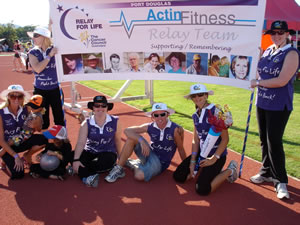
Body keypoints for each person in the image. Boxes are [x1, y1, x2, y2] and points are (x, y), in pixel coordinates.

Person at [250, 20, 300, 200]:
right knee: (264, 139)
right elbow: (258, 72)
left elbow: (281, 80)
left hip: (279, 105)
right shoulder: (269, 50)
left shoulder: (292, 53)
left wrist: (257, 83)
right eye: (274, 33)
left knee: (274, 141)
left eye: (280, 33)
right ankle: (266, 171)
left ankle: (281, 180)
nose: (276, 36)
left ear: (287, 34)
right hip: (261, 102)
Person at [173, 84, 238, 195]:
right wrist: (193, 161)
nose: (197, 98)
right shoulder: (195, 115)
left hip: (216, 156)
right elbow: (195, 139)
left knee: (202, 189)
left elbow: (225, 139)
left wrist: (213, 159)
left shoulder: (217, 112)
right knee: (178, 176)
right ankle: (203, 171)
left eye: (200, 94)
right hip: (201, 154)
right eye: (194, 96)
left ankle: (230, 170)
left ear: (206, 95)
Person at [105, 102, 187, 183]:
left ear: (167, 114)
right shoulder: (150, 126)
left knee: (139, 176)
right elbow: (127, 130)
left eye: (162, 114)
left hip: (160, 163)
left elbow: (181, 149)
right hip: (149, 153)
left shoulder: (175, 129)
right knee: (131, 139)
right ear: (152, 116)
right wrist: (142, 141)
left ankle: (134, 165)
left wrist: (187, 166)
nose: (159, 117)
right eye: (156, 115)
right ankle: (119, 168)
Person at [72, 95, 122, 187]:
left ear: (107, 108)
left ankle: (81, 172)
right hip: (90, 151)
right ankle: (88, 177)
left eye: (103, 106)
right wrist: (75, 160)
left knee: (105, 161)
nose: (100, 108)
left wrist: (121, 160)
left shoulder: (115, 121)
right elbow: (81, 142)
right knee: (72, 155)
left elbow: (118, 140)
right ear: (93, 108)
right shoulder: (86, 123)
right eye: (97, 105)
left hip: (107, 152)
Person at [27, 26, 65, 129]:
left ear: (44, 37)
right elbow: (38, 69)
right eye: (33, 36)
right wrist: (49, 56)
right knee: (43, 120)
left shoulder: (55, 49)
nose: (33, 38)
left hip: (55, 89)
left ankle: (61, 143)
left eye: (35, 36)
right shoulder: (32, 52)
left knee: (59, 119)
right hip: (40, 91)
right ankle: (44, 143)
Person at [0, 84, 30, 179]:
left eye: (20, 96)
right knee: (18, 174)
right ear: (8, 97)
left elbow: (29, 131)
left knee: (42, 140)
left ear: (23, 98)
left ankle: (26, 157)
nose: (16, 99)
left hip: (18, 141)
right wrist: (15, 156)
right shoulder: (1, 113)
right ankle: (5, 159)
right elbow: (1, 140)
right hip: (4, 144)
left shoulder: (26, 110)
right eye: (13, 96)